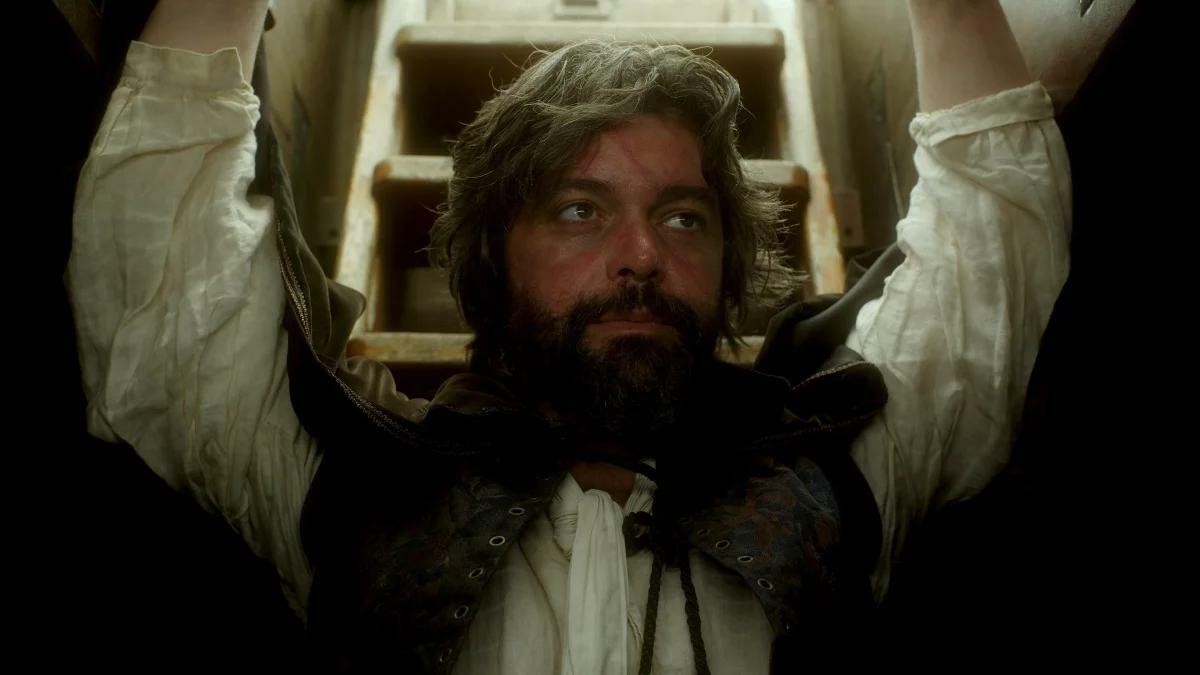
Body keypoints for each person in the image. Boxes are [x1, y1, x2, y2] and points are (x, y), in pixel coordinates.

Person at [67, 0, 1070, 672]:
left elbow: (989, 254)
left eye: (684, 217)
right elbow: (168, 290)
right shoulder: (348, 489)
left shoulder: (835, 484)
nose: (641, 255)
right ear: (494, 255)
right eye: (579, 211)